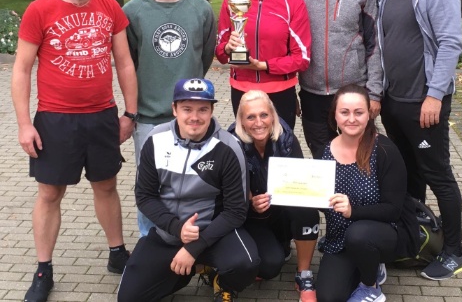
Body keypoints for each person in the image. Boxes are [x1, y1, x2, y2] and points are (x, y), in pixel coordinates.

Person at [11, 0, 137, 302]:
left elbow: (125, 62)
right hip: (55, 118)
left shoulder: (109, 6)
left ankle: (117, 254)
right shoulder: (40, 10)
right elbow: (21, 70)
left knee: (107, 185)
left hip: (102, 116)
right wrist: (23, 124)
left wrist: (129, 113)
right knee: (50, 193)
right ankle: (43, 268)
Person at [118, 78, 259, 302]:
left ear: (212, 110)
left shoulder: (229, 147)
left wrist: (193, 248)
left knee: (246, 264)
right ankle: (187, 272)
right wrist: (176, 228)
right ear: (174, 109)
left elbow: (236, 211)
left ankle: (220, 280)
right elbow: (144, 196)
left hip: (214, 233)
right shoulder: (155, 140)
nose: (195, 117)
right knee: (129, 298)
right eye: (187, 109)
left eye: (203, 109)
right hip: (169, 232)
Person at [378, 0, 462, 280]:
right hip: (393, 101)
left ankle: (453, 252)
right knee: (408, 171)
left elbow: (449, 43)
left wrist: (434, 94)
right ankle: (416, 238)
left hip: (425, 103)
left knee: (437, 174)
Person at [124, 0, 217, 237]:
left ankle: (191, 242)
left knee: (194, 182)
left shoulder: (201, 9)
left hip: (191, 116)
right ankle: (150, 244)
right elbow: (132, 60)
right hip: (150, 117)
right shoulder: (133, 11)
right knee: (149, 186)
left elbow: (203, 57)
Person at [315, 84, 419, 302]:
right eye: (344, 112)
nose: (351, 119)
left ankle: (371, 285)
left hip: (383, 232)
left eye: (358, 112)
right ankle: (364, 263)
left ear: (369, 115)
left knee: (359, 235)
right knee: (328, 297)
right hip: (340, 237)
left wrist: (353, 211)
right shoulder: (326, 150)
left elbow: (393, 210)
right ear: (335, 115)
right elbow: (322, 197)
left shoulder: (385, 150)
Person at [299, 0, 382, 159]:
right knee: (322, 157)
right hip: (311, 93)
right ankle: (331, 199)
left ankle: (357, 199)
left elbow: (374, 44)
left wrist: (374, 93)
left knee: (360, 157)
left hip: (353, 93)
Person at [228, 90, 320, 302]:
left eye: (264, 115)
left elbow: (302, 181)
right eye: (250, 117)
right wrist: (250, 201)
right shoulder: (230, 144)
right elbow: (226, 192)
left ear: (273, 115)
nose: (258, 122)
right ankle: (270, 247)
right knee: (270, 266)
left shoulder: (286, 139)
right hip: (249, 217)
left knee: (307, 211)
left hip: (280, 209)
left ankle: (304, 274)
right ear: (241, 120)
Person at [215, 0, 311, 130]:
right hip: (241, 90)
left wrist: (264, 65)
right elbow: (220, 53)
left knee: (279, 156)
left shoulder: (293, 4)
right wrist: (227, 48)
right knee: (246, 153)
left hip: (280, 92)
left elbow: (301, 58)